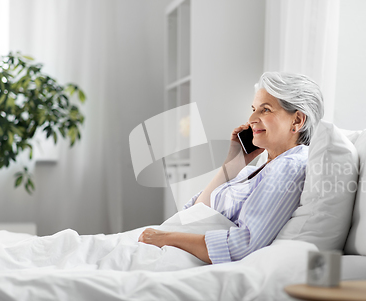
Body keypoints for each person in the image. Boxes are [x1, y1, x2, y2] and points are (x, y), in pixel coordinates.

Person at [138, 72, 324, 264]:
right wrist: (233, 164)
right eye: (253, 109)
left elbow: (243, 245)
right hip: (168, 246)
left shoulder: (289, 166)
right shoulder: (255, 170)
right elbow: (196, 211)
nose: (252, 118)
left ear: (297, 121)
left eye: (265, 110)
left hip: (178, 253)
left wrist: (165, 238)